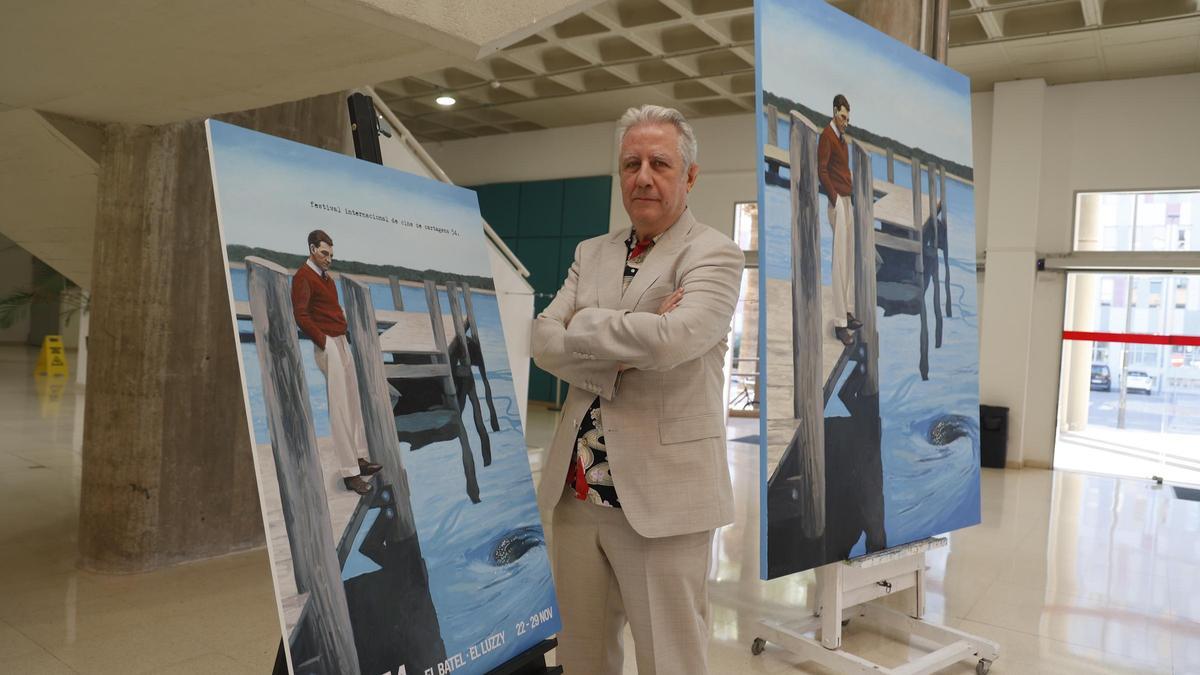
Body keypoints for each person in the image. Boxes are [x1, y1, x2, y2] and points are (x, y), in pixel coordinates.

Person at [532, 104, 744, 674]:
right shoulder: (591, 252)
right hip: (578, 494)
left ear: (690, 176)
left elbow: (676, 339)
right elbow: (543, 340)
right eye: (631, 164)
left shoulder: (715, 253)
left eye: (659, 163)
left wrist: (585, 324)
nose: (642, 177)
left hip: (663, 501)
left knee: (669, 659)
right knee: (581, 656)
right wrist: (631, 339)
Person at [291, 229, 381, 496]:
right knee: (340, 408)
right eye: (324, 253)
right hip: (328, 344)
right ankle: (350, 474)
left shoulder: (326, 279)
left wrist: (342, 336)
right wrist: (324, 342)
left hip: (341, 341)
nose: (328, 259)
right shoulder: (303, 277)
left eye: (331, 255)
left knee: (352, 402)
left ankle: (359, 458)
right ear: (312, 249)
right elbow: (301, 316)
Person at [818, 93, 862, 347]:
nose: (845, 122)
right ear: (835, 112)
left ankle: (847, 311)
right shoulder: (827, 136)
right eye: (843, 117)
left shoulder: (841, 139)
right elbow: (822, 170)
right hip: (838, 202)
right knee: (839, 262)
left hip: (847, 200)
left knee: (849, 259)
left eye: (847, 119)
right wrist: (834, 198)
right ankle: (839, 324)